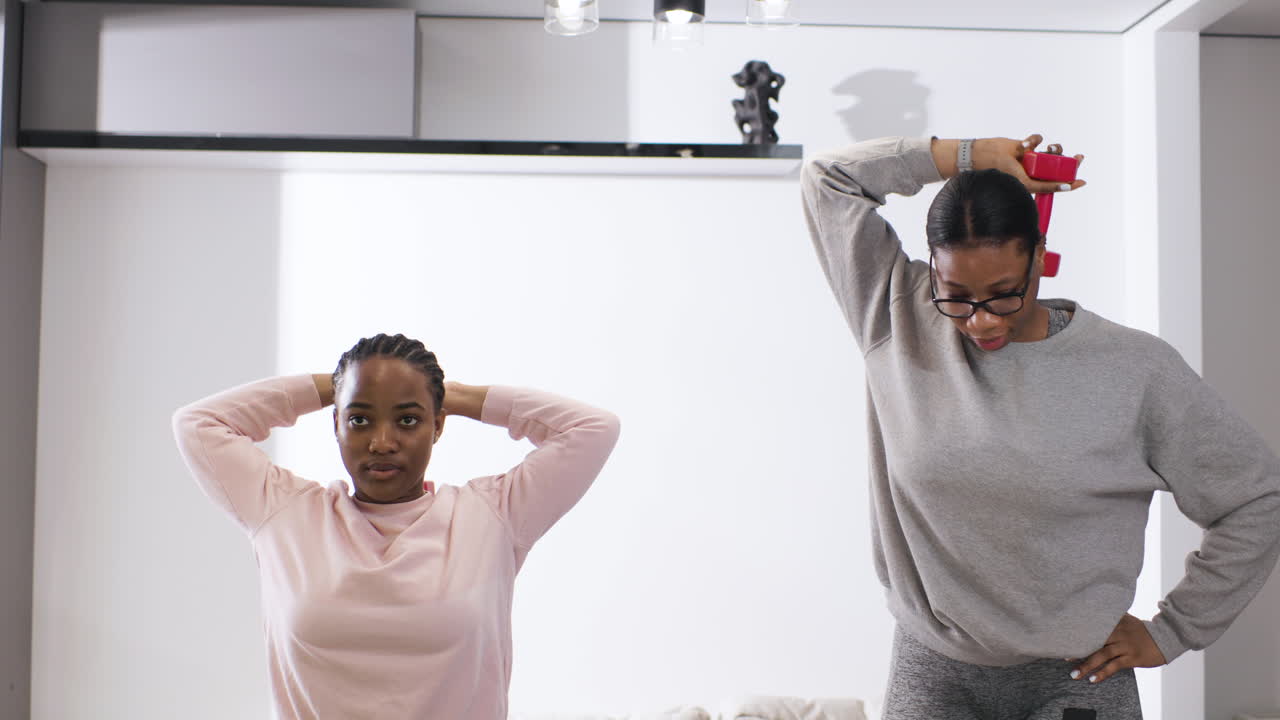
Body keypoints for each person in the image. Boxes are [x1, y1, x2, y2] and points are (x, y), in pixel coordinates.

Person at [801, 134, 1280, 719]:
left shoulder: (1135, 370)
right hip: (933, 674)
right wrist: (968, 154)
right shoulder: (895, 315)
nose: (980, 321)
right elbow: (828, 179)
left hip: (1077, 675)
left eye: (1005, 295)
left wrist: (1174, 630)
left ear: (1040, 255)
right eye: (956, 296)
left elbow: (1256, 499)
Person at [172, 333, 621, 719]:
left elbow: (593, 429)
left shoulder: (493, 516)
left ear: (438, 424)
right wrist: (335, 385)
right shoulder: (285, 515)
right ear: (336, 425)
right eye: (360, 419)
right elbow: (197, 424)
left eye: (408, 419)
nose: (382, 442)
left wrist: (456, 393)